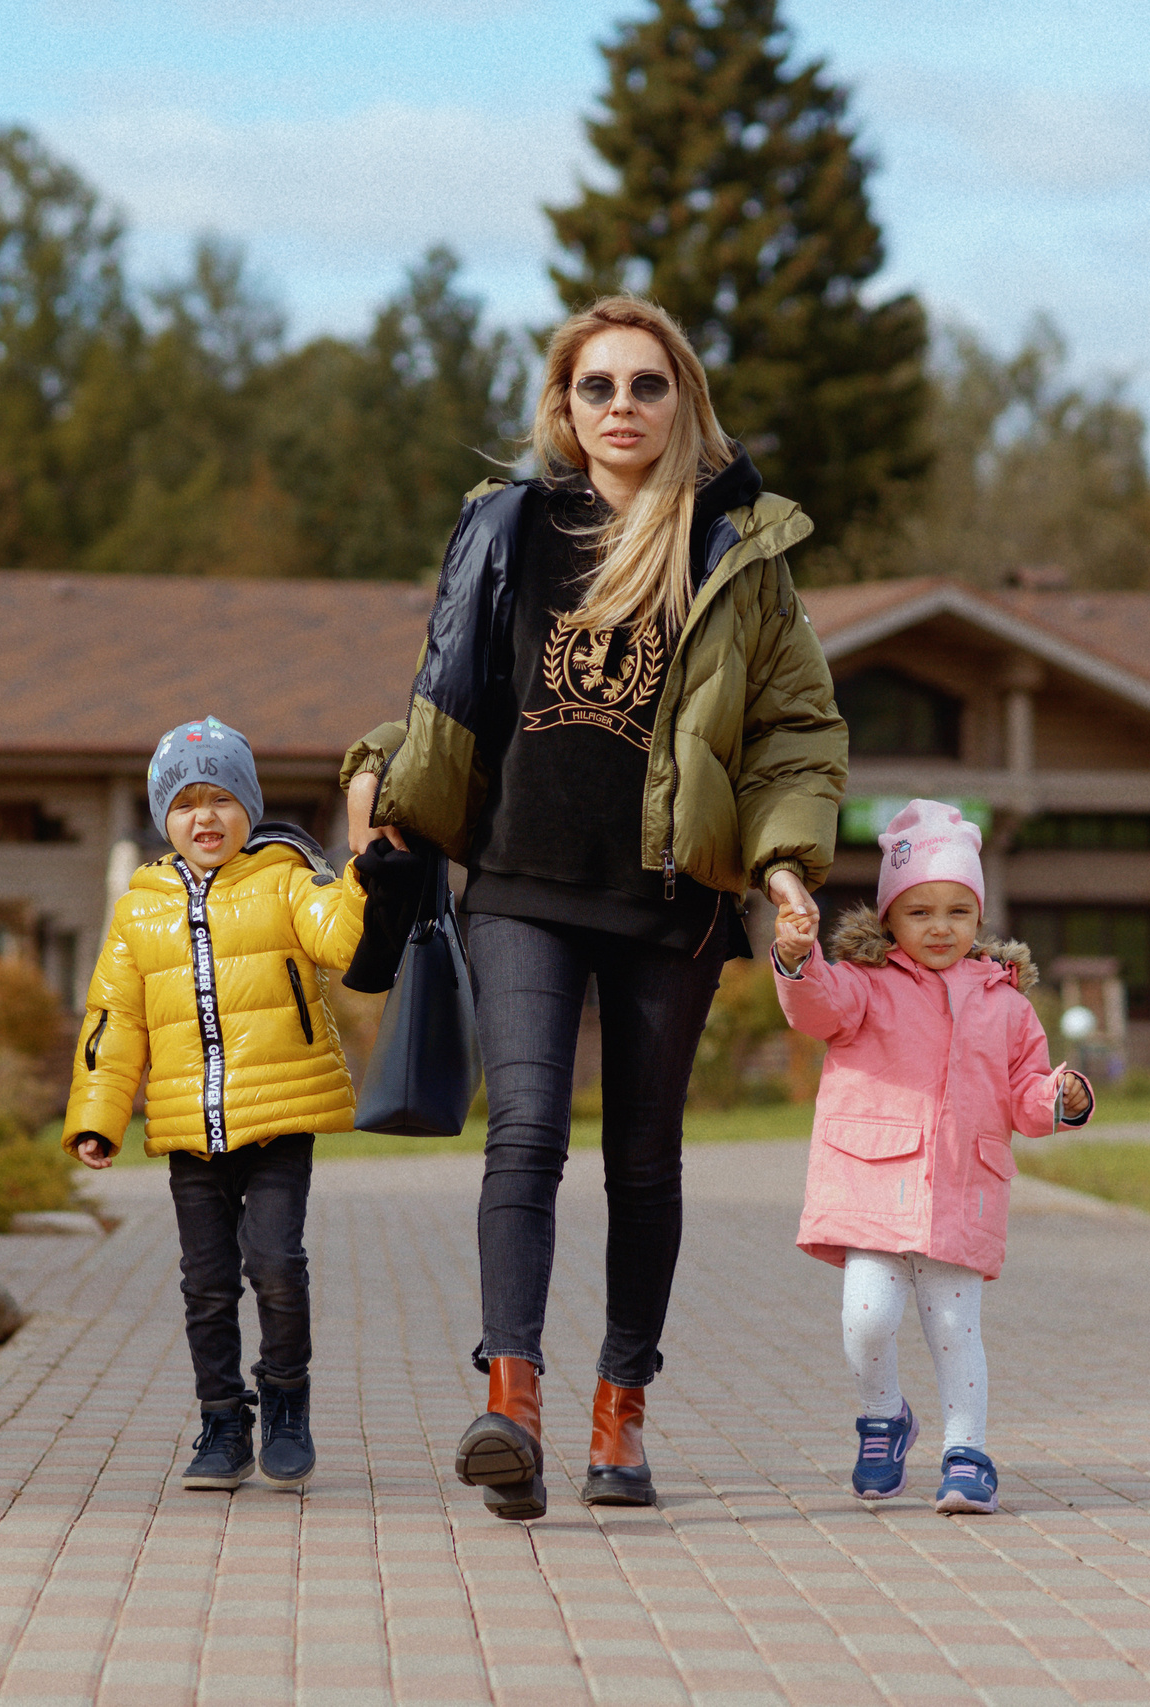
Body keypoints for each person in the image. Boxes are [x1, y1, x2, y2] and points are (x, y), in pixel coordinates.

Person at [344, 295, 849, 1520]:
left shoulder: (740, 550)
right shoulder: (510, 526)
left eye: (645, 385)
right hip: (517, 881)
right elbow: (451, 685)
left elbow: (794, 730)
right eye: (595, 388)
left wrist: (785, 864)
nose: (620, 406)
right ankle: (507, 1400)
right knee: (523, 1131)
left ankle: (619, 1415)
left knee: (642, 1160)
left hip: (670, 897)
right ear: (562, 411)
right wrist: (376, 768)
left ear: (684, 403)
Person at [66, 717, 366, 1495]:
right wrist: (99, 1114)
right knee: (205, 1282)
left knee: (273, 1262)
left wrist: (364, 868)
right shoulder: (140, 910)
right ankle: (223, 1421)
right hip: (189, 1130)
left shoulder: (288, 877)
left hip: (277, 1118)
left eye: (223, 798)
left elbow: (342, 942)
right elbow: (114, 1018)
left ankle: (287, 1399)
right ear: (164, 817)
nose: (206, 816)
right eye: (187, 802)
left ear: (249, 806)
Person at [771, 799, 1093, 1515]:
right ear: (890, 920)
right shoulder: (864, 986)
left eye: (957, 910)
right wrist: (798, 959)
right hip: (872, 1181)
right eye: (919, 912)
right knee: (867, 1317)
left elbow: (1024, 1093)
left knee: (954, 1327)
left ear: (979, 918)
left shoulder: (1006, 1004)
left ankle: (966, 1452)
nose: (940, 926)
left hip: (961, 1187)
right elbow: (815, 1006)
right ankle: (884, 1415)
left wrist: (1060, 1099)